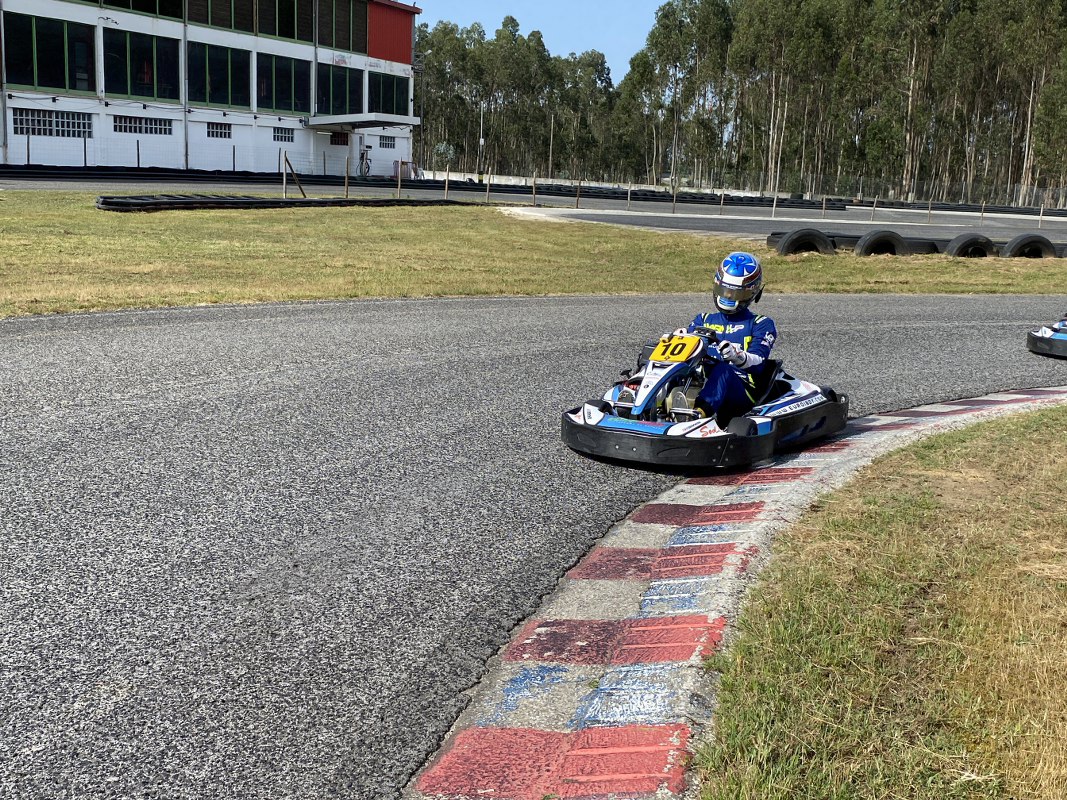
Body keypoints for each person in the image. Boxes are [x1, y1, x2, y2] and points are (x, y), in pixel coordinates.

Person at [676, 251, 777, 423]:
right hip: (704, 379)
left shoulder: (761, 323)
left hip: (742, 389)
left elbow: (760, 363)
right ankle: (637, 399)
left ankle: (698, 414)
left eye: (735, 293)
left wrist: (738, 357)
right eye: (724, 290)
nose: (728, 296)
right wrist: (679, 339)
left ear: (752, 292)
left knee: (723, 369)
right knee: (674, 364)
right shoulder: (703, 319)